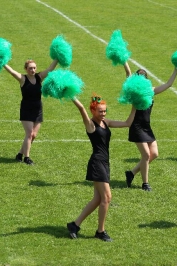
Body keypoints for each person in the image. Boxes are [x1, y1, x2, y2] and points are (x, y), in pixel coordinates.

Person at [67, 96, 135, 241]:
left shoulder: (106, 122)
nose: (103, 114)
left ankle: (74, 225)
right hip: (97, 163)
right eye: (100, 111)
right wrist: (70, 94)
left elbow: (128, 123)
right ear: (93, 111)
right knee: (107, 197)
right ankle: (100, 231)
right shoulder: (90, 125)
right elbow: (81, 108)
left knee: (97, 199)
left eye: (104, 111)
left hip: (105, 163)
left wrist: (135, 104)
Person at [123, 63, 177, 191]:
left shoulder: (151, 91)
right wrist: (124, 62)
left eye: (144, 77)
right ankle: (145, 184)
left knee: (154, 154)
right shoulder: (134, 91)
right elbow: (128, 75)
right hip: (136, 126)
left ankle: (131, 173)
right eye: (139, 77)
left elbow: (168, 84)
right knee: (146, 155)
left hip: (146, 127)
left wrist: (176, 69)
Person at [4, 59, 58, 165]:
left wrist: (57, 58)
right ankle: (27, 158)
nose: (32, 70)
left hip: (38, 109)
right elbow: (12, 72)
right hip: (26, 109)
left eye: (34, 68)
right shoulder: (22, 79)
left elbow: (50, 69)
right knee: (29, 134)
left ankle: (20, 154)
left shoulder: (39, 77)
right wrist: (2, 63)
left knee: (33, 135)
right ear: (26, 69)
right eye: (30, 68)